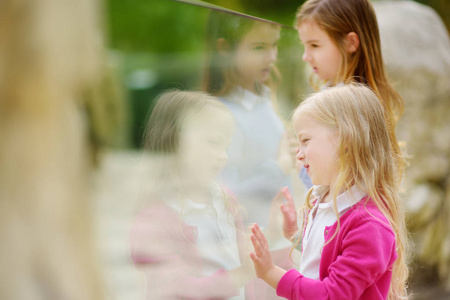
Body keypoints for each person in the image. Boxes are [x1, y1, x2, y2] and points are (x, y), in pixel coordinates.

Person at [249, 84, 409, 299]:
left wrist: (271, 274)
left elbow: (332, 294)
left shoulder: (370, 226)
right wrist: (296, 235)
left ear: (345, 140)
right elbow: (324, 258)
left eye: (305, 141)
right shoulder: (326, 200)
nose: (298, 154)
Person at [130, 90, 255, 299]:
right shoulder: (154, 220)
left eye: (226, 146)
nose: (223, 157)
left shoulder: (224, 199)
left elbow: (245, 261)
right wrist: (242, 275)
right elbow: (178, 290)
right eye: (214, 142)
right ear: (175, 142)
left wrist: (274, 235)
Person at [202, 10, 297, 236]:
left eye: (274, 45)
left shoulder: (263, 99)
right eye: (259, 47)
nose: (272, 56)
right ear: (224, 49)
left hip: (278, 239)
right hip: (250, 243)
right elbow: (227, 196)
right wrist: (280, 166)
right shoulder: (223, 115)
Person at [295, 0, 405, 189]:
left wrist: (299, 166)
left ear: (350, 43)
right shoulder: (335, 93)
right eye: (304, 45)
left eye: (314, 45)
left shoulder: (351, 109)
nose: (306, 56)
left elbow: (333, 186)